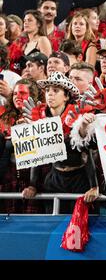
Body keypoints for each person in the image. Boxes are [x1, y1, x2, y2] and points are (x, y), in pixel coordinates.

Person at [22, 71, 99, 212]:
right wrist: (32, 185)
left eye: (56, 90)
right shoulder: (39, 116)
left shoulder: (77, 116)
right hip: (54, 178)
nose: (50, 94)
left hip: (80, 179)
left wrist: (94, 186)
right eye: (47, 90)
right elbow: (37, 154)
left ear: (66, 96)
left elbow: (87, 153)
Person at [0, 79, 44, 213]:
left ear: (32, 96)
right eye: (14, 94)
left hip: (34, 178)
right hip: (9, 176)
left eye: (22, 93)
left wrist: (33, 184)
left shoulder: (42, 116)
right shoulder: (4, 117)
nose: (17, 97)